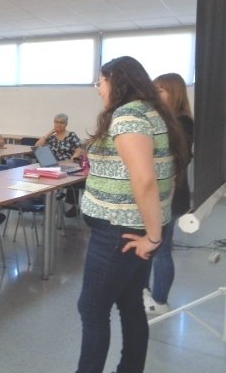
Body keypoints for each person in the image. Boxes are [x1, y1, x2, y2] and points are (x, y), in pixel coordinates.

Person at [75, 56, 186, 373]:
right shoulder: (155, 114)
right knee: (130, 303)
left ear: (115, 80)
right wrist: (155, 230)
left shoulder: (127, 117)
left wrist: (152, 237)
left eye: (100, 82)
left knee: (93, 308)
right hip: (135, 229)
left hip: (119, 232)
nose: (98, 89)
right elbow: (169, 175)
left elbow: (145, 180)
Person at [143, 73, 194, 316]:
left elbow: (176, 158)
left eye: (161, 90)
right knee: (153, 245)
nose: (156, 95)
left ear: (174, 93)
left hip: (171, 195)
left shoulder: (182, 122)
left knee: (162, 249)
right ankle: (145, 290)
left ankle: (160, 300)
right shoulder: (167, 120)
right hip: (159, 193)